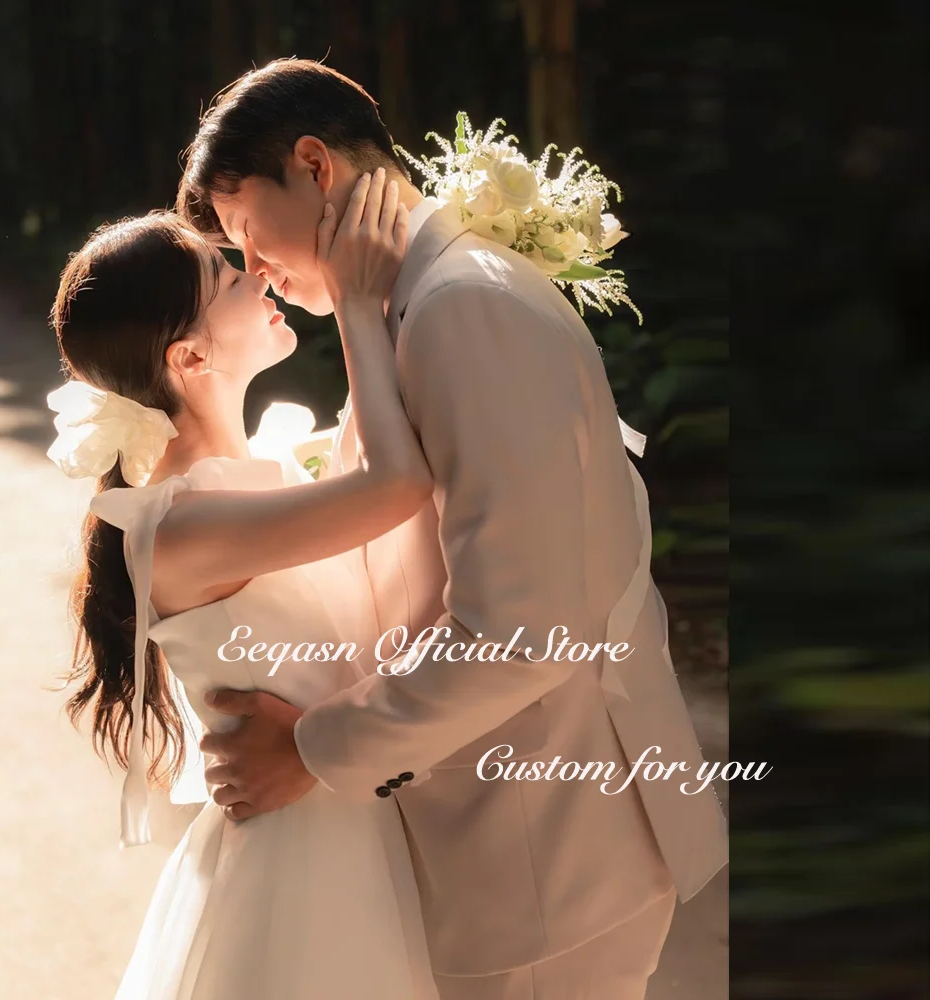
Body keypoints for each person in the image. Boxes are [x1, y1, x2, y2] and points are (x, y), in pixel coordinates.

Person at [175, 58, 729, 1000]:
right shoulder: (419, 299)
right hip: (512, 843)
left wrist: (309, 750)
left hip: (548, 852)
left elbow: (523, 625)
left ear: (313, 165)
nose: (252, 268)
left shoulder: (461, 304)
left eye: (243, 232)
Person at [48, 177, 440, 998]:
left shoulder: (247, 474)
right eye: (229, 282)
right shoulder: (183, 525)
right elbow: (394, 486)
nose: (259, 277)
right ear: (188, 357)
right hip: (305, 859)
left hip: (345, 821)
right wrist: (357, 306)